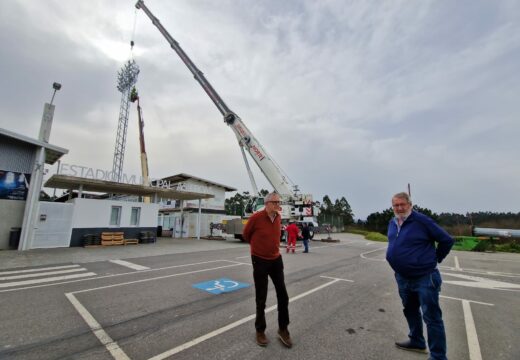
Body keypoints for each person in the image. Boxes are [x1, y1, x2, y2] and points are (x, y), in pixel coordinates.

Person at [386, 192, 454, 360]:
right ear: (392, 206)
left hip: (425, 277)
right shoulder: (392, 222)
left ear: (410, 204)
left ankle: (438, 356)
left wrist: (436, 258)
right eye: (396, 205)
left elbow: (447, 240)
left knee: (432, 318)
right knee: (410, 311)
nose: (399, 208)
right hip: (403, 277)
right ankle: (416, 340)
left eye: (402, 204)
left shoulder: (421, 221)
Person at [243, 192, 292, 348]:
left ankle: (283, 329)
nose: (279, 205)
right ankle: (260, 330)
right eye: (276, 202)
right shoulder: (256, 218)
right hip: (260, 260)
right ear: (268, 203)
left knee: (283, 296)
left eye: (279, 202)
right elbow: (246, 235)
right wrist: (257, 248)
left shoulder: (278, 217)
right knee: (261, 297)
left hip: (276, 260)